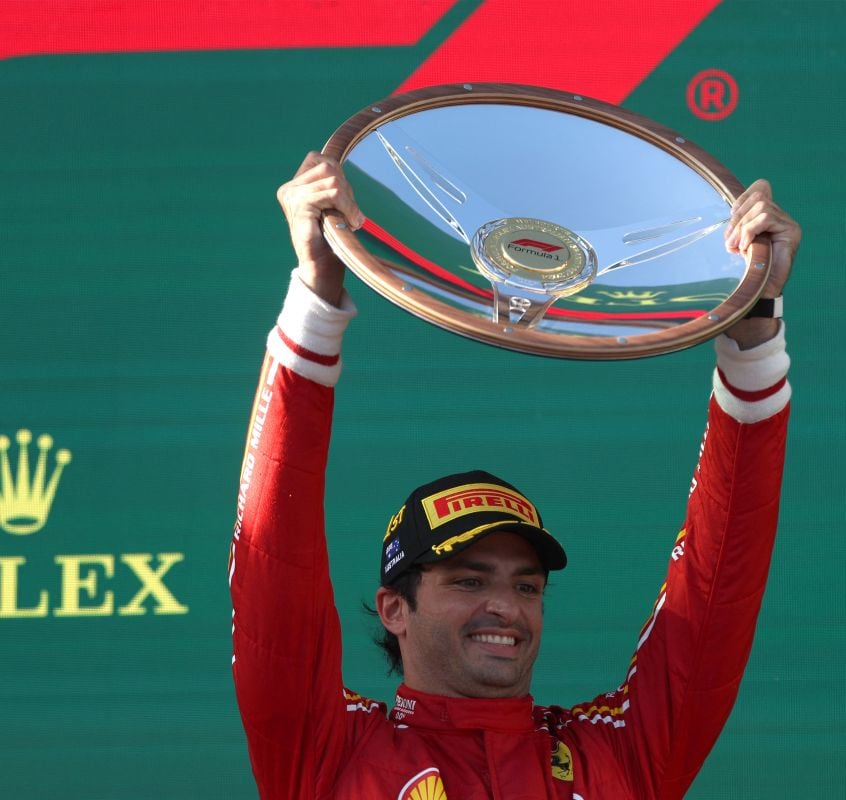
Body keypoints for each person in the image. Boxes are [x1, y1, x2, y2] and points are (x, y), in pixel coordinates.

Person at [230, 152, 800, 800]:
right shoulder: (332, 753)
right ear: (395, 609)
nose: (506, 607)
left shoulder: (615, 757)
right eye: (469, 579)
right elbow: (272, 561)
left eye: (527, 586)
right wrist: (317, 296)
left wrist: (755, 334)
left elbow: (718, 586)